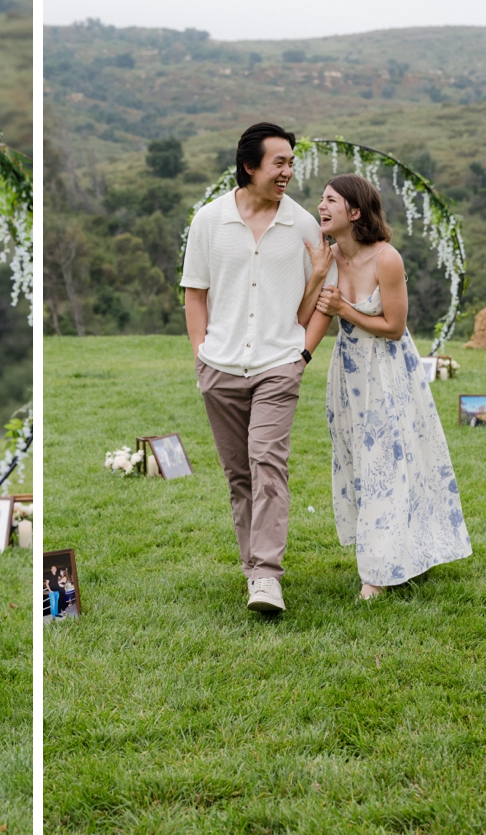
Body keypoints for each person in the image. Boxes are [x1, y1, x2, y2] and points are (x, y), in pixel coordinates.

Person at [181, 122, 335, 612]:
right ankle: (253, 569)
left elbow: (320, 298)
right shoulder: (209, 221)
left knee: (267, 463)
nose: (289, 172)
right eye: (280, 163)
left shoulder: (304, 225)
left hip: (277, 365)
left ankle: (267, 576)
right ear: (250, 167)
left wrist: (302, 355)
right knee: (238, 476)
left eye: (291, 162)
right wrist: (201, 354)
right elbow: (195, 294)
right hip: (220, 369)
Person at [304, 174, 472, 599]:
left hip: (389, 372)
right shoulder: (329, 258)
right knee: (360, 464)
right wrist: (318, 279)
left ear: (355, 212)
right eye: (320, 200)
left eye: (330, 201)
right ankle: (394, 552)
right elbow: (309, 318)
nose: (321, 207)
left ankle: (375, 575)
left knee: (389, 461)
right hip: (348, 375)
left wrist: (346, 308)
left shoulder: (387, 259)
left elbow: (394, 328)